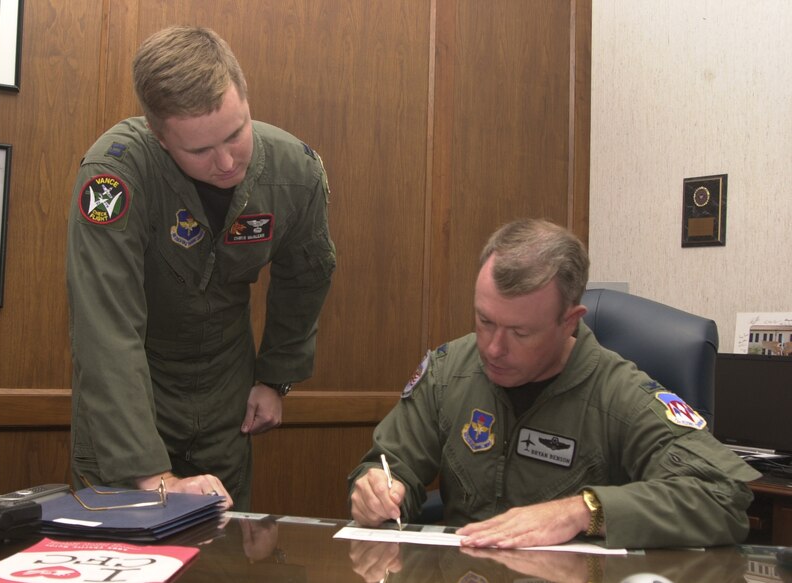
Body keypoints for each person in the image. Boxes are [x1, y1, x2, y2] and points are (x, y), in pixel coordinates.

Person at [348, 218, 758, 549]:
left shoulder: (619, 394)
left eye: (520, 333)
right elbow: (388, 464)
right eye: (484, 321)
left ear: (569, 322)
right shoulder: (448, 370)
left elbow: (724, 496)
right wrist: (378, 489)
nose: (492, 348)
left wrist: (584, 511)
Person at [66, 25, 336, 510]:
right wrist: (149, 477)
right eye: (199, 150)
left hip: (226, 393)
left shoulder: (296, 173)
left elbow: (306, 278)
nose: (228, 161)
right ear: (159, 135)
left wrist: (275, 379)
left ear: (245, 98)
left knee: (222, 553)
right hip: (134, 386)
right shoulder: (116, 174)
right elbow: (106, 325)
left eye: (237, 133)